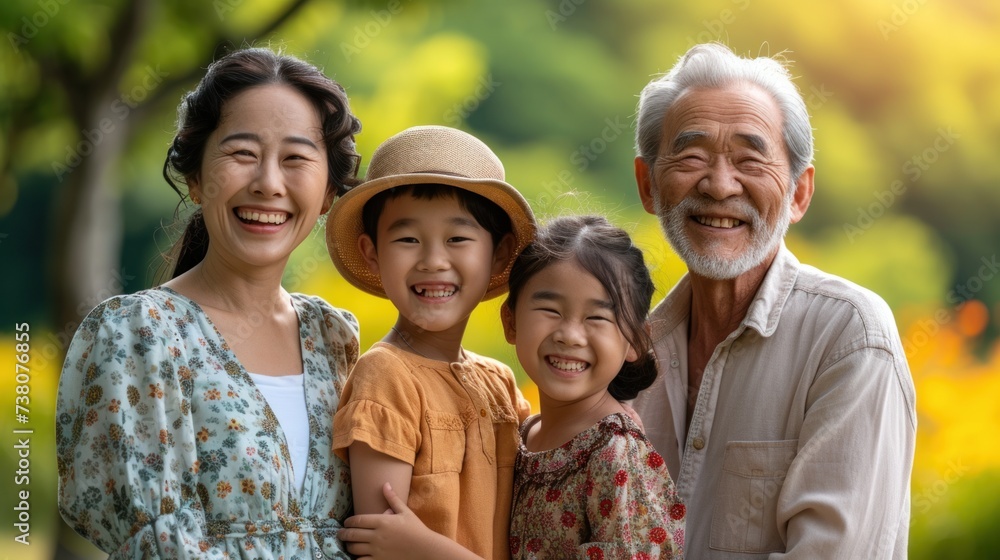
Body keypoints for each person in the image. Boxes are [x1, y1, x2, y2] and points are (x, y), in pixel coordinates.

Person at [55, 47, 363, 559]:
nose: (268, 183)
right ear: (196, 179)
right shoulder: (140, 333)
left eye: (296, 158)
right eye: (242, 153)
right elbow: (156, 543)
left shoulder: (335, 338)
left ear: (329, 191)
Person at [629, 42, 917, 559]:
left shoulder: (849, 338)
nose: (719, 186)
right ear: (648, 185)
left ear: (798, 193)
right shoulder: (628, 357)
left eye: (749, 159)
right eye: (691, 155)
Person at [327, 125, 536, 559]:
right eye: (407, 239)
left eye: (458, 239)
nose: (433, 261)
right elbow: (384, 543)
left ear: (498, 253)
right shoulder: (387, 376)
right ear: (372, 252)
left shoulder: (499, 383)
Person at [499, 215, 685, 558]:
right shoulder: (524, 432)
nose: (570, 335)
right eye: (550, 309)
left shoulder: (614, 452)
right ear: (510, 322)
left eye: (597, 317)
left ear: (636, 341)